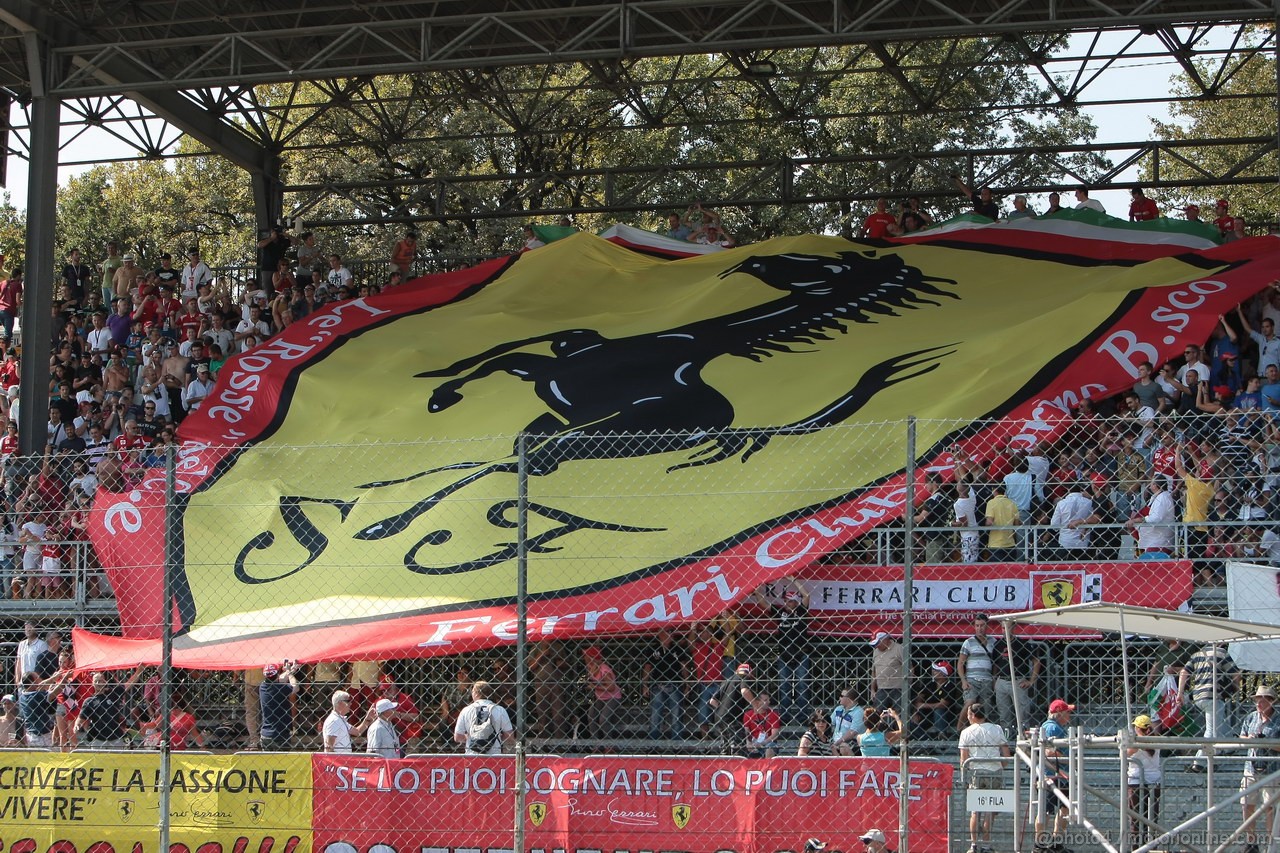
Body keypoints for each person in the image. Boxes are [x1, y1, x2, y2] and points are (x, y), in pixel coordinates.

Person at [1178, 642, 1241, 771]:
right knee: (1211, 731)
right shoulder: (1222, 653)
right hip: (1213, 694)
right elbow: (1236, 674)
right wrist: (1236, 687)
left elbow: (1184, 672)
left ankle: (1232, 744)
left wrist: (1180, 692)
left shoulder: (1197, 654)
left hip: (1198, 696)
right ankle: (1199, 762)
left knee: (1218, 723)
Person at [958, 703, 1011, 853]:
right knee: (990, 810)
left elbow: (964, 758)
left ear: (973, 715)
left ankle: (973, 844)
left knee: (975, 811)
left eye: (969, 714)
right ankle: (987, 844)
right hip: (994, 771)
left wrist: (965, 771)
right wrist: (1002, 764)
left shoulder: (966, 732)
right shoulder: (997, 728)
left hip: (976, 772)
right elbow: (1006, 753)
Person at [1240, 685, 1280, 853]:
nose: (1259, 703)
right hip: (1251, 766)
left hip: (1272, 769)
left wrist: (1267, 743)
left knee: (1269, 807)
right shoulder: (1250, 718)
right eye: (1257, 699)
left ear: (1271, 701)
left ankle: (1271, 845)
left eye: (1263, 699)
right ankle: (1251, 842)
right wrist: (1250, 739)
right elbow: (1241, 736)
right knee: (1246, 805)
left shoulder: (1279, 719)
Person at [1036, 699, 1075, 853]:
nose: (1069, 715)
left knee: (1063, 808)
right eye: (1067, 712)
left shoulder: (1057, 727)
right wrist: (1068, 759)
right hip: (1052, 775)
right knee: (1045, 810)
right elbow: (1048, 752)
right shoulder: (1052, 727)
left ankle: (1055, 843)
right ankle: (1040, 844)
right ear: (1059, 713)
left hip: (1060, 774)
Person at [991, 617, 1042, 734]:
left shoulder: (1021, 644)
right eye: (1003, 628)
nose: (1005, 631)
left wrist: (1031, 681)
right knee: (1004, 714)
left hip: (1018, 681)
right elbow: (995, 664)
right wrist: (995, 681)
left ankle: (1024, 737)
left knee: (1023, 713)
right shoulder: (998, 644)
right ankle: (1007, 738)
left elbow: (1036, 662)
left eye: (1008, 628)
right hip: (1002, 681)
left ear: (1014, 628)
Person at [642, 626, 690, 740]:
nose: (670, 635)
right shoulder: (653, 649)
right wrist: (645, 685)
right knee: (655, 715)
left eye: (671, 632)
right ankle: (653, 744)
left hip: (675, 684)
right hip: (657, 684)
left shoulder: (677, 649)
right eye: (668, 632)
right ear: (660, 634)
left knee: (676, 716)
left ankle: (676, 744)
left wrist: (687, 685)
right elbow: (647, 667)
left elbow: (684, 667)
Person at [1126, 714, 1162, 850]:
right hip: (1154, 782)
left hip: (1136, 782)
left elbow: (1125, 753)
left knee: (1135, 820)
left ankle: (1136, 848)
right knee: (1152, 819)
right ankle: (1152, 848)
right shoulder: (1156, 739)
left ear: (1138, 728)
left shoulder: (1136, 742)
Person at [452, 680, 515, 755]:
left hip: (472, 754)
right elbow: (510, 736)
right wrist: (495, 737)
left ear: (475, 693)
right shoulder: (499, 710)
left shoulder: (466, 710)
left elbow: (457, 737)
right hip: (494, 754)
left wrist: (471, 738)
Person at [709, 661, 757, 754]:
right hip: (733, 716)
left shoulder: (726, 681)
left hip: (720, 717)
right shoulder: (744, 677)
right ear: (749, 672)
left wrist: (723, 708)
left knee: (725, 744)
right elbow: (744, 691)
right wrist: (755, 705)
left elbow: (712, 701)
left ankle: (725, 762)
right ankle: (737, 764)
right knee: (737, 744)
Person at [18, 669, 71, 747]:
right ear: (33, 682)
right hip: (40, 735)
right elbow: (56, 691)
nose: (41, 679)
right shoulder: (36, 696)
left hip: (30, 733)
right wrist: (65, 678)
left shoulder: (23, 694)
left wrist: (53, 678)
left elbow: (42, 685)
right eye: (38, 677)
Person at [912, 661, 960, 740]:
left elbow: (943, 704)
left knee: (939, 710)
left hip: (946, 716)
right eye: (934, 669)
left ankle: (941, 735)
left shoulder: (949, 685)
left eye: (937, 670)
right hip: (928, 714)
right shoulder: (930, 683)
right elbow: (920, 696)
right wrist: (916, 710)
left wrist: (923, 705)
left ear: (943, 674)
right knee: (915, 718)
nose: (933, 671)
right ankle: (922, 739)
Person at [259, 661, 301, 750]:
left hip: (265, 734)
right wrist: (290, 673)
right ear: (277, 673)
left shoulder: (262, 686)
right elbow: (296, 687)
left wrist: (291, 670)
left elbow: (280, 678)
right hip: (280, 735)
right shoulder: (281, 688)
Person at [583, 646, 622, 741]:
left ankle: (608, 744)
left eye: (586, 656)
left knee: (603, 720)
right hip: (600, 697)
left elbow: (611, 687)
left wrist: (595, 687)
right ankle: (595, 743)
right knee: (591, 717)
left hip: (612, 697)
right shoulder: (591, 668)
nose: (584, 658)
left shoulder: (604, 669)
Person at [958, 613, 997, 710]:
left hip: (987, 679)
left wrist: (994, 678)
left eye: (982, 625)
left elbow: (996, 662)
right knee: (969, 704)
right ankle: (960, 725)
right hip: (972, 679)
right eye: (977, 625)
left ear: (987, 625)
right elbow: (960, 663)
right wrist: (963, 681)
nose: (980, 628)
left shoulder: (994, 641)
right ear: (974, 627)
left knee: (986, 707)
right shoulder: (968, 642)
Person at [869, 631, 904, 710]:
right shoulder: (876, 651)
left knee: (899, 713)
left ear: (885, 640)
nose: (876, 646)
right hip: (881, 688)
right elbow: (874, 671)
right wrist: (872, 689)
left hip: (898, 688)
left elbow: (909, 667)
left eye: (877, 643)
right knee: (877, 712)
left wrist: (907, 685)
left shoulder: (899, 649)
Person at [742, 692, 781, 758]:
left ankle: (768, 767)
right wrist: (749, 743)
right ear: (757, 702)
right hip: (753, 742)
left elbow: (775, 734)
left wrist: (762, 743)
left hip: (767, 742)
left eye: (768, 699)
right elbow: (747, 732)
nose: (769, 702)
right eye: (765, 700)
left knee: (770, 748)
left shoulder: (773, 714)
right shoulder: (748, 714)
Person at [831, 686, 865, 756]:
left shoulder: (859, 712)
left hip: (852, 742)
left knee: (843, 746)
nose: (839, 698)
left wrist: (837, 743)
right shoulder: (838, 709)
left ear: (849, 699)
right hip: (835, 741)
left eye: (841, 696)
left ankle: (851, 766)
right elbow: (829, 723)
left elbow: (852, 733)